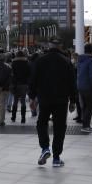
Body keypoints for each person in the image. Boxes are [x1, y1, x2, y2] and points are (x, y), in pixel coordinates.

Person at [29, 38, 77, 167]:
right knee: (60, 127)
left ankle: (45, 147)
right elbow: (72, 82)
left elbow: (33, 80)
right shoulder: (66, 61)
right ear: (60, 46)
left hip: (44, 98)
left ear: (49, 46)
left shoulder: (40, 60)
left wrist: (32, 97)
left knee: (41, 123)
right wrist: (73, 100)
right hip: (61, 99)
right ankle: (56, 157)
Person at [76, 44, 92, 133]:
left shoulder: (80, 60)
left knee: (84, 106)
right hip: (88, 86)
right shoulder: (91, 60)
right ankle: (86, 125)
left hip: (80, 85)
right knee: (89, 106)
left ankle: (85, 124)